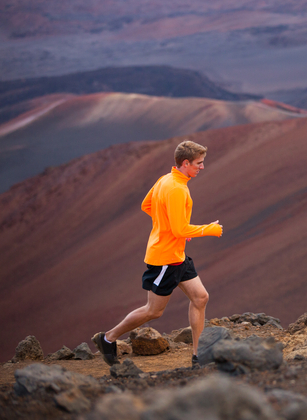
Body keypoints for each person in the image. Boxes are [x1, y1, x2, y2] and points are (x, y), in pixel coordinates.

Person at [92, 140, 223, 367]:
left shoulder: (167, 179)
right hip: (165, 260)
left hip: (177, 255)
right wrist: (208, 229)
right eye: (199, 163)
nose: (202, 167)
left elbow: (147, 205)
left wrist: (171, 227)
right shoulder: (177, 188)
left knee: (201, 298)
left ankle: (198, 355)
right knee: (153, 311)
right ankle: (108, 338)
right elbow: (179, 229)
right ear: (185, 163)